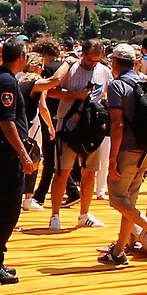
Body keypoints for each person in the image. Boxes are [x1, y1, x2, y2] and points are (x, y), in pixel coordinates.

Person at [98, 44, 147, 266]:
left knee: (118, 200)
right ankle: (119, 251)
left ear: (115, 63)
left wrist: (112, 158)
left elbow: (117, 124)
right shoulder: (145, 81)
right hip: (146, 148)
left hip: (127, 149)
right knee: (130, 201)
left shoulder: (117, 86)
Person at [0, 38, 38, 284]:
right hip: (7, 154)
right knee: (7, 210)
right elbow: (7, 121)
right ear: (21, 57)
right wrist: (24, 154)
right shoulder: (6, 82)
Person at [45, 39, 111, 232]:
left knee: (89, 172)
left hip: (92, 129)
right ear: (82, 54)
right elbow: (52, 92)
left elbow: (108, 93)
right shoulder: (71, 69)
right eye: (90, 60)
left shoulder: (103, 71)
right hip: (69, 127)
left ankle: (84, 213)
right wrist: (75, 95)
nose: (92, 64)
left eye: (96, 61)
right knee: (62, 172)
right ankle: (55, 215)